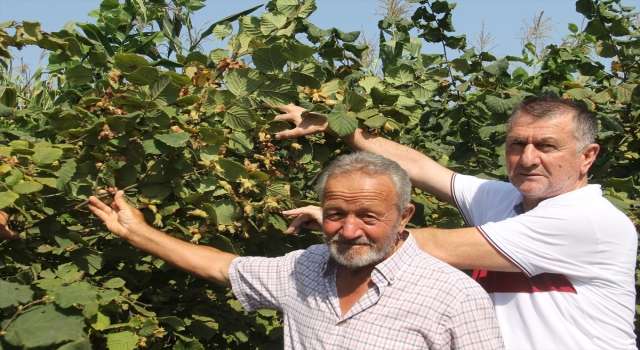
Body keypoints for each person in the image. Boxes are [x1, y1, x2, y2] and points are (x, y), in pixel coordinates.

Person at [276, 95, 637, 349]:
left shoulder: (587, 221)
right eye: (516, 144)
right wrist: (335, 126)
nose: (527, 158)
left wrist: (342, 222)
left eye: (546, 146)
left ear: (587, 156)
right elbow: (418, 168)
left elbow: (433, 247)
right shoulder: (502, 199)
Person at [87, 152, 504, 349]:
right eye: (335, 213)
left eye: (369, 217)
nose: (349, 230)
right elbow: (222, 267)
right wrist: (137, 233)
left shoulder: (454, 296)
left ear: (405, 215)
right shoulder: (303, 268)